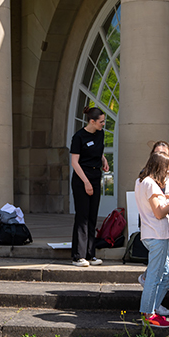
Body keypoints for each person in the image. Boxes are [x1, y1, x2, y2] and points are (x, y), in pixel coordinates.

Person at [135, 152, 169, 328]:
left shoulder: (141, 182)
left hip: (151, 234)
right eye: (166, 170)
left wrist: (164, 199)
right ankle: (149, 313)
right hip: (157, 235)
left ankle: (151, 309)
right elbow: (159, 213)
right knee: (154, 277)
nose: (168, 173)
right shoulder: (151, 184)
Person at [69, 106, 109, 267]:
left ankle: (90, 254)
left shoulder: (100, 134)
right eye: (101, 122)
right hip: (81, 178)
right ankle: (78, 256)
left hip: (95, 176)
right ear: (92, 121)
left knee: (92, 216)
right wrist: (86, 182)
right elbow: (74, 162)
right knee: (82, 217)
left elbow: (98, 151)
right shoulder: (78, 137)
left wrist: (104, 159)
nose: (103, 124)